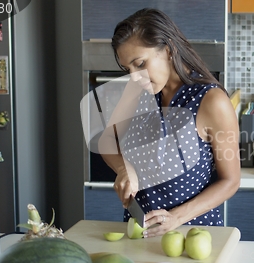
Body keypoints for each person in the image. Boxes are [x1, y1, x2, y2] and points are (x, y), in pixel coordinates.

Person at [99, 8, 240, 238]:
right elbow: (107, 139)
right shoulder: (137, 89)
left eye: (140, 63)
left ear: (168, 49)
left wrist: (177, 217)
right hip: (140, 233)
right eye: (128, 69)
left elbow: (230, 181)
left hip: (193, 235)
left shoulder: (211, 101)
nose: (135, 76)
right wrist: (125, 169)